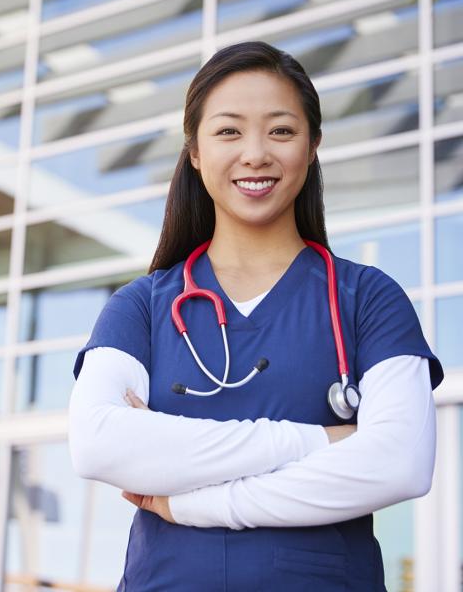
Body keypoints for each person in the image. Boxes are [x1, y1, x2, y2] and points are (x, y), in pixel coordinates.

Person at [67, 41, 444, 591]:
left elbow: (399, 463)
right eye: (228, 131)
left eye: (281, 131)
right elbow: (98, 444)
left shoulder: (367, 299)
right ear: (194, 150)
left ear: (313, 145)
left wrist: (197, 504)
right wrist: (321, 441)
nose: (255, 153)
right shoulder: (142, 307)